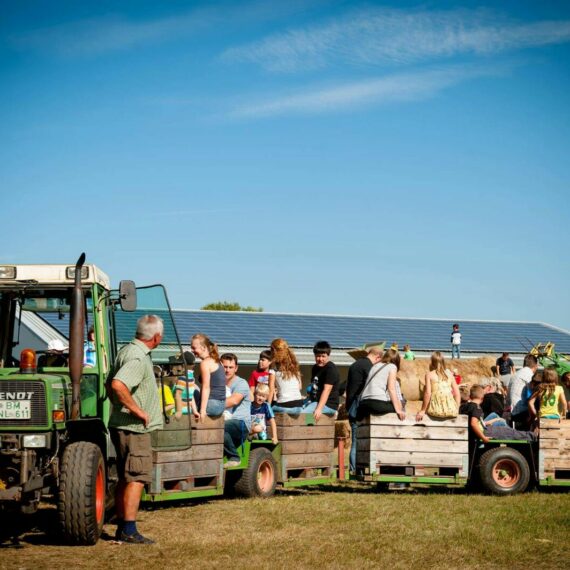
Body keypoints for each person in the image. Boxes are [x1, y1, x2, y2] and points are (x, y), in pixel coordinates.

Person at [107, 314, 164, 544]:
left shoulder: (126, 350)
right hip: (134, 429)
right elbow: (117, 385)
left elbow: (110, 384)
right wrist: (138, 411)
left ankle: (123, 525)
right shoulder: (138, 357)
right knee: (137, 478)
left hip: (122, 425)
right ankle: (129, 530)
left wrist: (123, 406)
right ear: (156, 337)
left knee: (125, 476)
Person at [345, 345, 384, 473]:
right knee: (359, 441)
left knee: (355, 440)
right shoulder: (368, 367)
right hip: (359, 408)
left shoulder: (355, 365)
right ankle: (356, 469)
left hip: (351, 406)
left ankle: (355, 468)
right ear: (378, 357)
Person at [460, 385, 536, 445]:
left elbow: (477, 423)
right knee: (508, 432)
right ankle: (532, 435)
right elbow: (473, 424)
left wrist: (492, 421)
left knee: (506, 430)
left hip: (480, 430)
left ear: (471, 397)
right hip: (484, 432)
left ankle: (529, 434)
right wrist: (483, 438)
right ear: (482, 398)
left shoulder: (465, 406)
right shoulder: (476, 408)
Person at [356, 348, 406, 421]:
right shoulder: (392, 366)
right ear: (396, 360)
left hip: (363, 404)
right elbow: (391, 389)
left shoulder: (374, 366)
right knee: (399, 405)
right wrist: (398, 410)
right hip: (376, 403)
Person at [220, 353, 251, 468]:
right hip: (224, 419)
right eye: (225, 367)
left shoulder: (241, 383)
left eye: (231, 367)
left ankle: (234, 457)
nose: (227, 370)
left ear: (236, 368)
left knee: (219, 427)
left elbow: (233, 401)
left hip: (240, 423)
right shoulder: (218, 383)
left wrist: (210, 406)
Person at [190, 333, 226, 420]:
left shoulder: (205, 363)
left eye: (194, 348)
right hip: (221, 404)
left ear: (203, 347)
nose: (192, 350)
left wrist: (202, 411)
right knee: (194, 389)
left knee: (187, 391)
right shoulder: (217, 361)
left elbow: (206, 387)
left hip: (212, 404)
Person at [416, 352, 460, 421]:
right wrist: (456, 408)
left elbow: (428, 393)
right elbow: (457, 393)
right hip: (451, 410)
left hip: (435, 410)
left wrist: (423, 410)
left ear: (432, 362)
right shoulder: (450, 374)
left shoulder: (429, 375)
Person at [303, 341, 340, 421]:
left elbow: (327, 390)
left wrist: (319, 409)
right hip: (315, 401)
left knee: (304, 413)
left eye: (323, 356)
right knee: (297, 408)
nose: (320, 359)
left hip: (328, 404)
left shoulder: (330, 369)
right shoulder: (315, 368)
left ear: (328, 356)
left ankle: (309, 430)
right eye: (318, 356)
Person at [268, 338, 305, 414]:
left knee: (271, 407)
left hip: (284, 404)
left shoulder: (273, 367)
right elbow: (300, 387)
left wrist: (267, 407)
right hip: (299, 404)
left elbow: (271, 390)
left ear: (274, 350)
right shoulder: (294, 366)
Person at [507, 354, 538, 429]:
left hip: (513, 411)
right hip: (523, 413)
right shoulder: (529, 375)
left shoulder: (515, 375)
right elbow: (535, 394)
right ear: (536, 365)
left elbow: (508, 396)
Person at [171, 351, 197, 418]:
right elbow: (191, 396)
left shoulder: (183, 377)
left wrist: (179, 411)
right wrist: (195, 411)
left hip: (178, 412)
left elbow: (178, 394)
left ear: (182, 364)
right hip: (188, 411)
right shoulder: (191, 377)